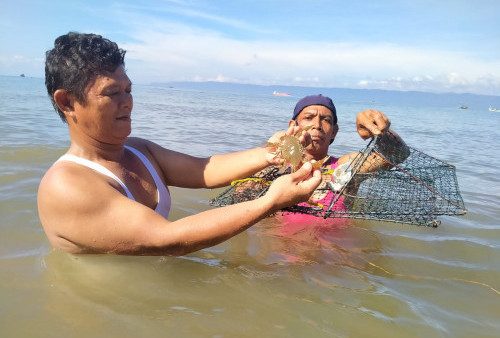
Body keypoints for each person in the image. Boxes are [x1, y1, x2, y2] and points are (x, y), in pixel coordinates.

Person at [38, 32, 323, 256]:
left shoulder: (140, 149)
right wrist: (271, 202)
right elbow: (168, 240)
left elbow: (203, 170)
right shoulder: (66, 185)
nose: (128, 103)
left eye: (128, 89)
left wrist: (271, 153)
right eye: (112, 93)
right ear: (67, 102)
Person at [279, 94, 408, 227]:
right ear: (293, 126)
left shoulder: (344, 168)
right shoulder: (275, 165)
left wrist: (378, 130)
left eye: (326, 120)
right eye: (308, 118)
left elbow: (398, 154)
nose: (317, 125)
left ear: (334, 131)